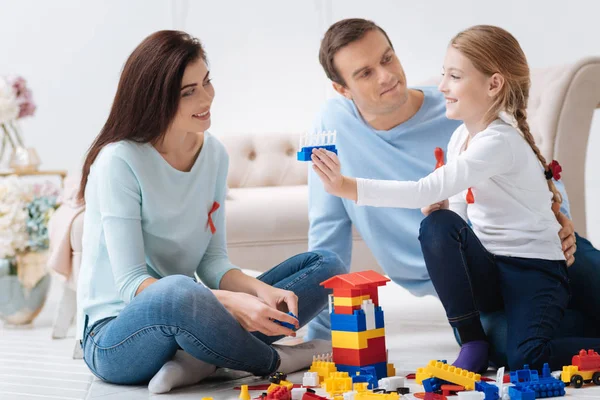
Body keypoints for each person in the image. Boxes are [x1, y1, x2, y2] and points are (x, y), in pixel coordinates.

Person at [307, 18, 600, 369]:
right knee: (512, 352)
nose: (386, 76)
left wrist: (560, 218)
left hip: (538, 248)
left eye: (387, 59)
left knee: (577, 262)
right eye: (365, 73)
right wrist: (320, 343)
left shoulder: (462, 107)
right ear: (342, 89)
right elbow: (327, 236)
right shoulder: (335, 125)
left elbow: (534, 172)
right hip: (475, 274)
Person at [76, 30, 345, 394]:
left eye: (206, 82)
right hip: (116, 336)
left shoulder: (214, 154)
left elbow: (213, 263)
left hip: (194, 315)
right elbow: (131, 286)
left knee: (327, 266)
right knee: (177, 291)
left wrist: (257, 292)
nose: (206, 98)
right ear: (156, 98)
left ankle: (197, 360)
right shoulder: (118, 161)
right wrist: (233, 306)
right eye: (189, 92)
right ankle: (278, 360)